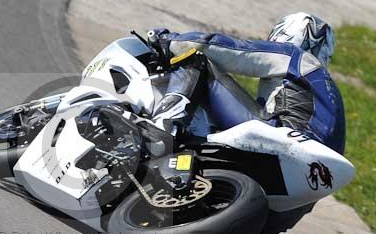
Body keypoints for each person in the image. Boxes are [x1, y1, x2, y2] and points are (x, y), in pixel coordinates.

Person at [147, 12, 346, 154]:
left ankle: (162, 128)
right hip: (297, 191)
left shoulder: (297, 57)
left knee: (196, 60)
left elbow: (232, 50)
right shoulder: (330, 95)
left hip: (282, 138)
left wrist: (169, 40)